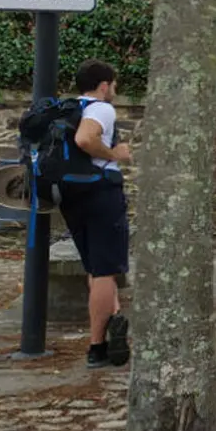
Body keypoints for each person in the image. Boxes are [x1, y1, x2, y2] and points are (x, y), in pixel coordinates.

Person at [60, 60, 132, 369]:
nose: (114, 90)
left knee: (95, 266)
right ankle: (97, 347)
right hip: (100, 192)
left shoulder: (69, 108)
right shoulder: (101, 108)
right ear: (104, 85)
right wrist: (114, 154)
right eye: (113, 84)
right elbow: (85, 140)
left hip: (71, 194)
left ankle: (114, 319)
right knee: (105, 270)